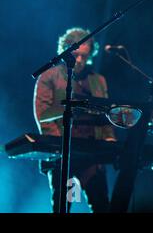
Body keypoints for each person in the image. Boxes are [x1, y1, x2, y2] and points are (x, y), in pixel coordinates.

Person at [33, 27, 116, 213]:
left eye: (84, 56)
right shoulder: (49, 76)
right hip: (63, 152)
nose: (79, 61)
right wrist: (56, 144)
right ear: (66, 51)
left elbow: (105, 115)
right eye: (76, 55)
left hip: (92, 152)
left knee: (101, 204)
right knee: (63, 204)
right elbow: (43, 115)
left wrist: (109, 139)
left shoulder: (98, 80)